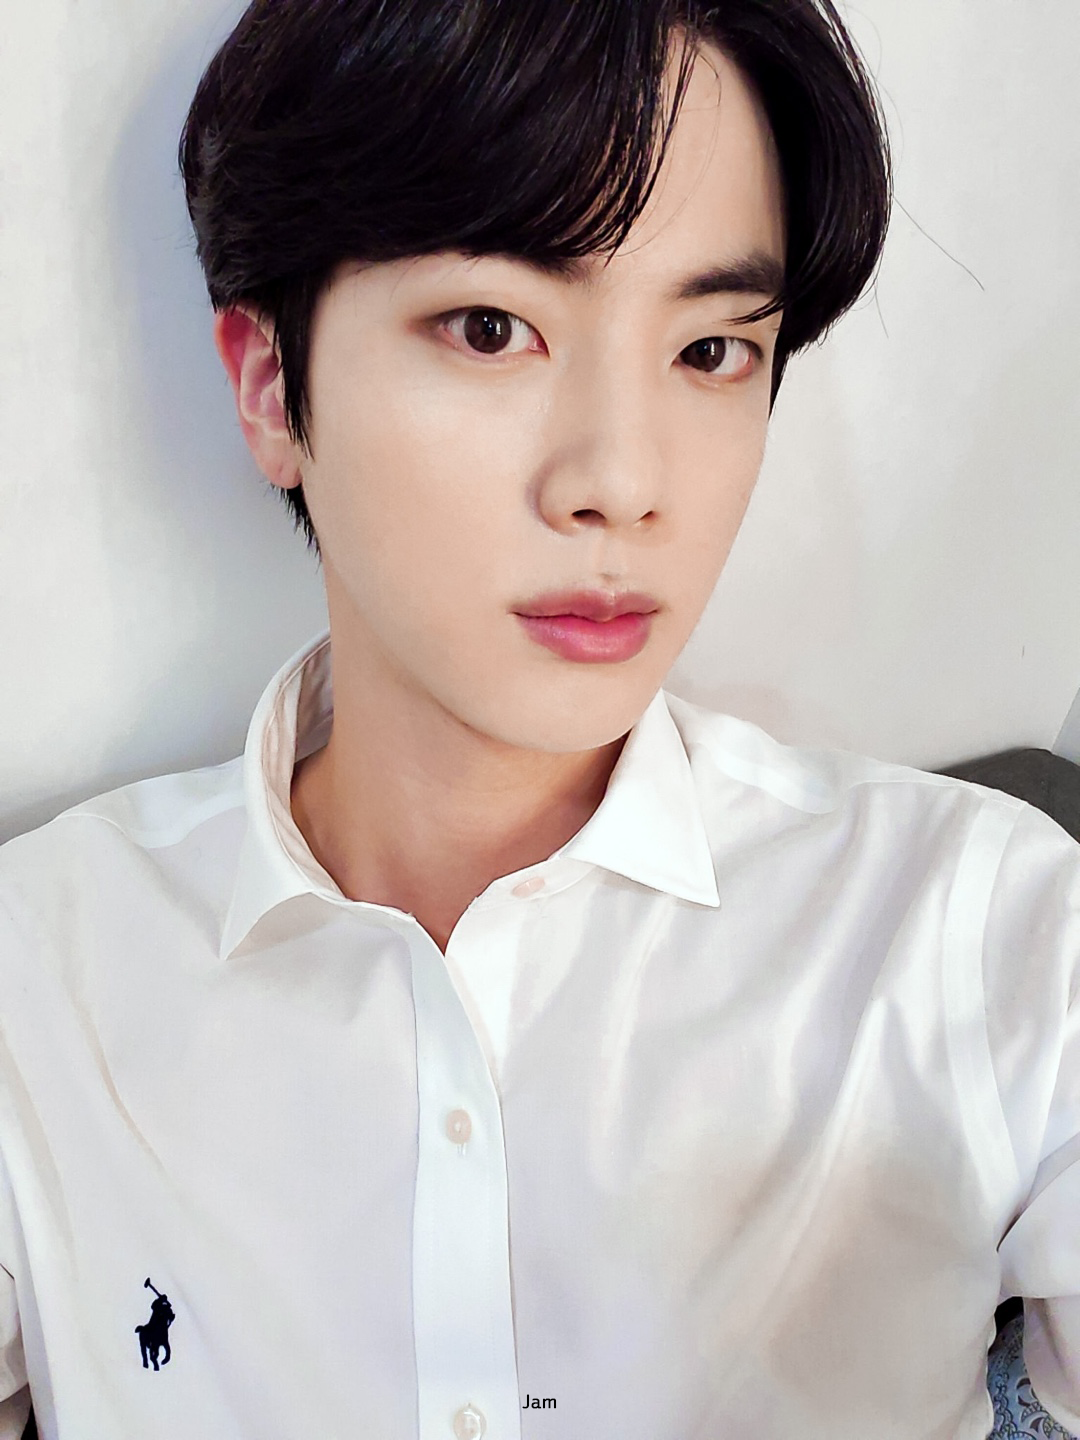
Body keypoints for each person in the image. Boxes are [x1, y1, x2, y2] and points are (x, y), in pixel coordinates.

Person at [0, 0, 1076, 1436]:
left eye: (712, 350)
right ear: (270, 385)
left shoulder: (984, 936)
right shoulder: (42, 981)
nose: (622, 482)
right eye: (492, 328)